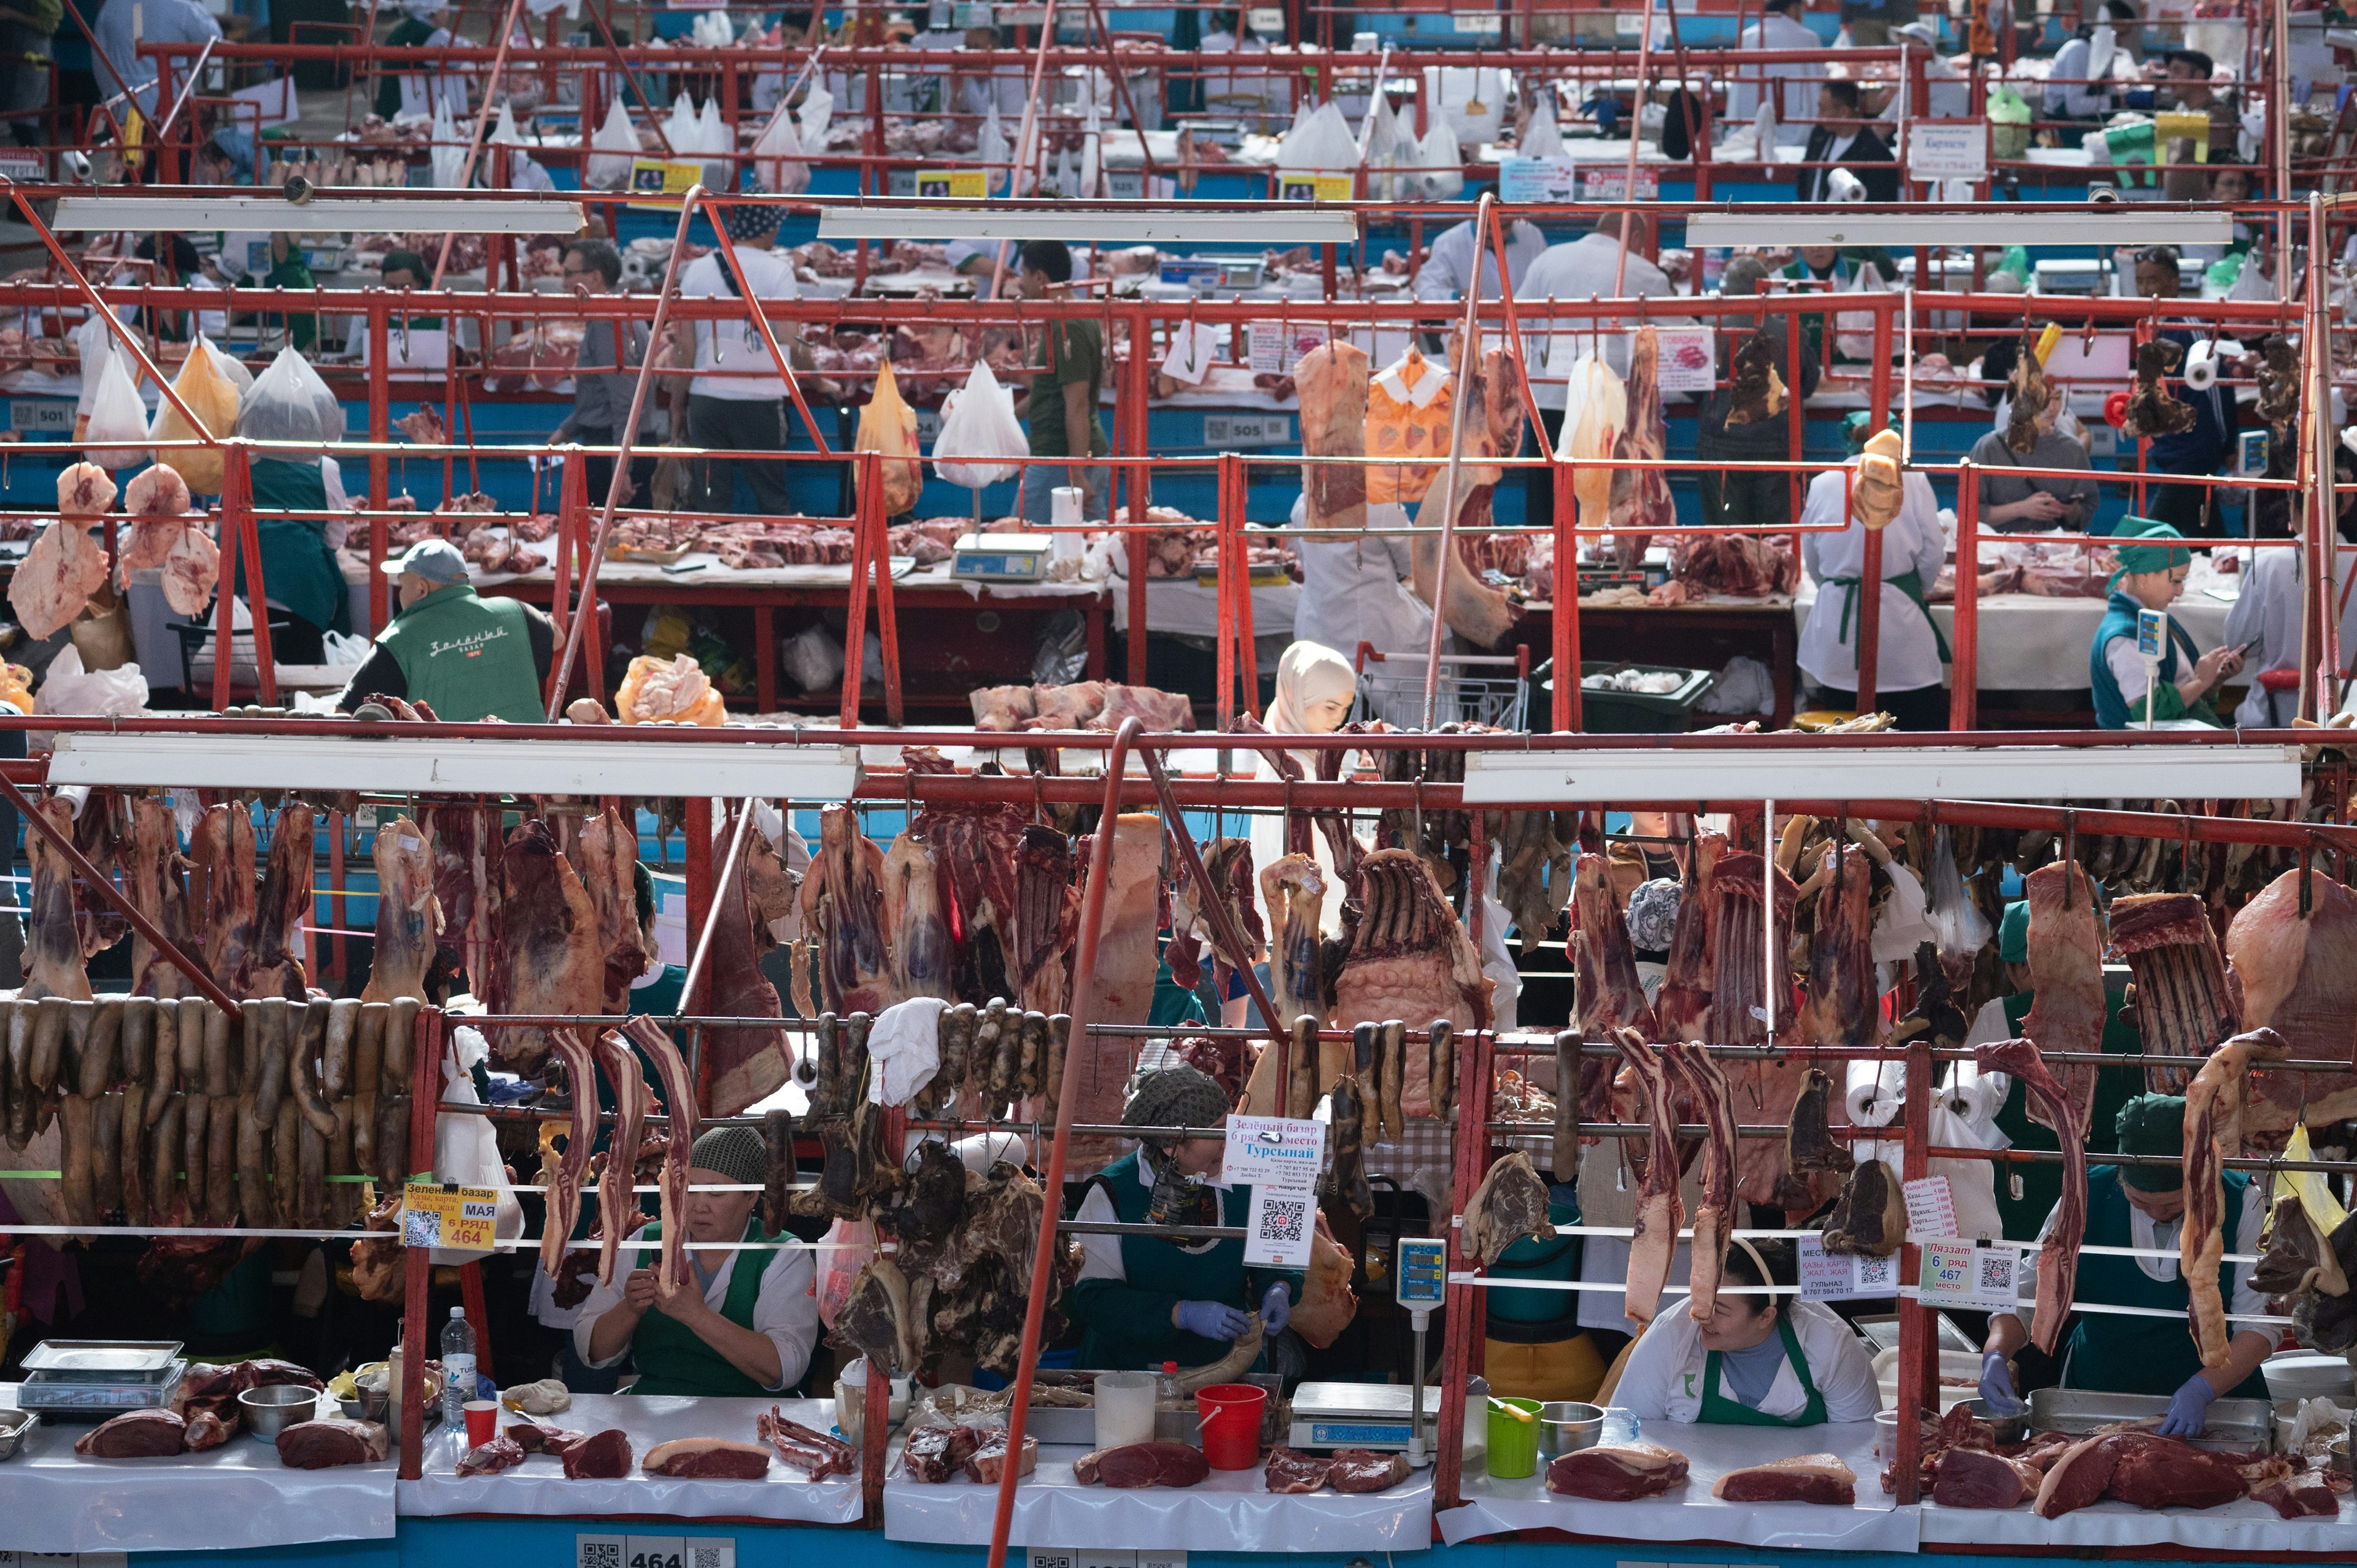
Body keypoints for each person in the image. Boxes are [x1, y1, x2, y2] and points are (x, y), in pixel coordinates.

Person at [1980, 1095, 2270, 1429]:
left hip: (2219, 1407)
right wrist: (1996, 1353)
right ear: (2121, 1178)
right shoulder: (2085, 1194)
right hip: (2095, 1399)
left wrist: (2204, 1388)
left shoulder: (2243, 1202)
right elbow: (2028, 1293)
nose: (2158, 1214)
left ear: (2202, 1177)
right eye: (2140, 1201)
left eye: (2174, 1204)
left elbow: (2259, 1325)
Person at [1070, 1066, 1301, 1370]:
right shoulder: (1113, 1192)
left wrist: (1280, 1285)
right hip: (1127, 1376)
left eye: (1229, 1126)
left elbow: (1278, 1252)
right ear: (1170, 1143)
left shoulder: (1253, 1169)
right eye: (1214, 1131)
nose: (1228, 1141)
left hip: (1229, 1371)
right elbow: (1094, 1300)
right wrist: (1182, 1314)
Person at [575, 1126, 819, 1396]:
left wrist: (695, 1315)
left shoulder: (784, 1254)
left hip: (755, 1418)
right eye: (690, 1190)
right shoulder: (649, 1241)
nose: (699, 1206)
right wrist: (630, 1308)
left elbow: (786, 1367)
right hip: (657, 1409)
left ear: (751, 1197)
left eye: (716, 1194)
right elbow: (593, 1351)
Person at [1614, 1238, 1882, 1424]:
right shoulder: (1672, 1333)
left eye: (1719, 1310)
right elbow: (1627, 1427)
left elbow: (1859, 1442)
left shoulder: (1831, 1344)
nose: (1700, 1316)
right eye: (1701, 1298)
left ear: (1766, 1316)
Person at [1517, 212, 1674, 529]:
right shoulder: (1645, 272)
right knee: (1609, 504)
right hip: (1612, 406)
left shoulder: (1548, 260)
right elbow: (1677, 335)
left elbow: (1518, 324)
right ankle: (1604, 572)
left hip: (1546, 399)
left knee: (1546, 502)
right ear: (1633, 240)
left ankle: (1544, 567)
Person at [1797, 422, 1949, 730]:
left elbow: (1811, 556)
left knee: (1845, 730)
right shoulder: (1912, 479)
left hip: (1836, 632)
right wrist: (1917, 587)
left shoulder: (1825, 482)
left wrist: (1835, 583)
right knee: (1918, 732)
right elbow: (1934, 549)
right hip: (1901, 632)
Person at [668, 200, 800, 518]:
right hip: (760, 399)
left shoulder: (696, 271)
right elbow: (790, 341)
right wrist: (820, 379)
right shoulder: (779, 272)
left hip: (707, 400)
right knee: (771, 496)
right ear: (767, 228)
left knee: (711, 497)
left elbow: (684, 349)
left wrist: (676, 406)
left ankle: (713, 559)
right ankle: (775, 556)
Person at [334, 538, 555, 720]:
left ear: (422, 589)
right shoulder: (517, 612)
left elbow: (346, 716)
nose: (400, 594)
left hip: (442, 769)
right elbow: (557, 638)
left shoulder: (398, 641)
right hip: (528, 762)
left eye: (402, 584)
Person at [2223, 448, 2357, 727]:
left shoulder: (2269, 563)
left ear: (2294, 507)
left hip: (2277, 717)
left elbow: (2238, 642)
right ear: (2343, 506)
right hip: (2350, 717)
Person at [1697, 255, 1819, 533]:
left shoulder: (1711, 333)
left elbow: (1696, 389)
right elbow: (1808, 386)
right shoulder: (1793, 332)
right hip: (1779, 447)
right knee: (1777, 542)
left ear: (1726, 293)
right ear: (1766, 290)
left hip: (1721, 445)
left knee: (1729, 545)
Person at [2089, 519, 2242, 727]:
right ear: (2144, 576)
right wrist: (2200, 682)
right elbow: (2149, 711)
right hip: (2136, 754)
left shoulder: (2155, 618)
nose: (2179, 591)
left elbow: (2179, 686)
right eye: (2176, 581)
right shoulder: (2125, 636)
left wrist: (2212, 681)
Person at [2130, 247, 2237, 536]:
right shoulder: (2154, 327)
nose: (2145, 289)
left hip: (2193, 454)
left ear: (2175, 281)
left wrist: (2227, 445)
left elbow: (2217, 387)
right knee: (2207, 539)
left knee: (2149, 538)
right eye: (2140, 281)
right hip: (2173, 452)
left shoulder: (2186, 325)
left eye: (2153, 280)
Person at [552, 238, 661, 510]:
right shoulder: (618, 312)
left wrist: (621, 469)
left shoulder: (606, 322)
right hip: (622, 444)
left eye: (569, 274)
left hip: (613, 449)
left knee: (613, 540)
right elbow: (604, 395)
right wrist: (565, 431)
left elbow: (625, 400)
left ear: (595, 277)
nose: (563, 283)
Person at [1013, 239, 1112, 530]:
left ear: (1040, 277)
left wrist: (1077, 474)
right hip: (1066, 457)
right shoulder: (1071, 314)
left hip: (1060, 462)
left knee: (1021, 539)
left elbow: (1077, 403)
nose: (1021, 283)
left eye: (1024, 274)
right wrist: (1003, 419)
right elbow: (1049, 390)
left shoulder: (1067, 323)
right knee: (1083, 551)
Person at [1971, 374, 2097, 533]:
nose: (2051, 408)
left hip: (2054, 552)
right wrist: (2022, 509)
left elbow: (2084, 514)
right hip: (1998, 550)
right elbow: (1970, 512)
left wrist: (2070, 511)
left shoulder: (2073, 449)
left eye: (2057, 398)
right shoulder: (1989, 447)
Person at [93, 0, 215, 117]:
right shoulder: (181, 7)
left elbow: (100, 60)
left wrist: (109, 94)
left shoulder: (111, 7)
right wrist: (195, 5)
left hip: (125, 107)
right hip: (174, 110)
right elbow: (213, 36)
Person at [1728, 0, 1825, 146]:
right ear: (1793, 8)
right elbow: (1819, 83)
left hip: (1748, 129)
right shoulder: (1808, 38)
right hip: (1798, 129)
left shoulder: (1748, 36)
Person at [1797, 81, 1898, 203]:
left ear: (1844, 112)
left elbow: (1880, 205)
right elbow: (1805, 177)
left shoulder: (1878, 155)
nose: (1819, 115)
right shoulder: (1819, 135)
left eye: (1824, 110)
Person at [2046, 2, 2134, 139]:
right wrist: (2114, 102)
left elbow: (2110, 88)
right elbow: (2074, 106)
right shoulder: (2079, 50)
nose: (2121, 42)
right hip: (2066, 123)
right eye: (2119, 35)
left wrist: (2124, 100)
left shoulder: (2106, 53)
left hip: (2088, 117)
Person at [1414, 216, 1547, 303]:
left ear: (1513, 219)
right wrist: (1457, 296)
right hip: (1469, 336)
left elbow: (1545, 281)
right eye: (1488, 226)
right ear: (1474, 216)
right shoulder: (1448, 243)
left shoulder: (1532, 236)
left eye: (1504, 227)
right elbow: (1426, 292)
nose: (1496, 233)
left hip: (1523, 332)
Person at [373, 0, 459, 121]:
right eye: (444, 9)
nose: (447, 14)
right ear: (433, 12)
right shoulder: (431, 34)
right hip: (408, 113)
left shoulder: (400, 30)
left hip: (387, 109)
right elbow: (467, 51)